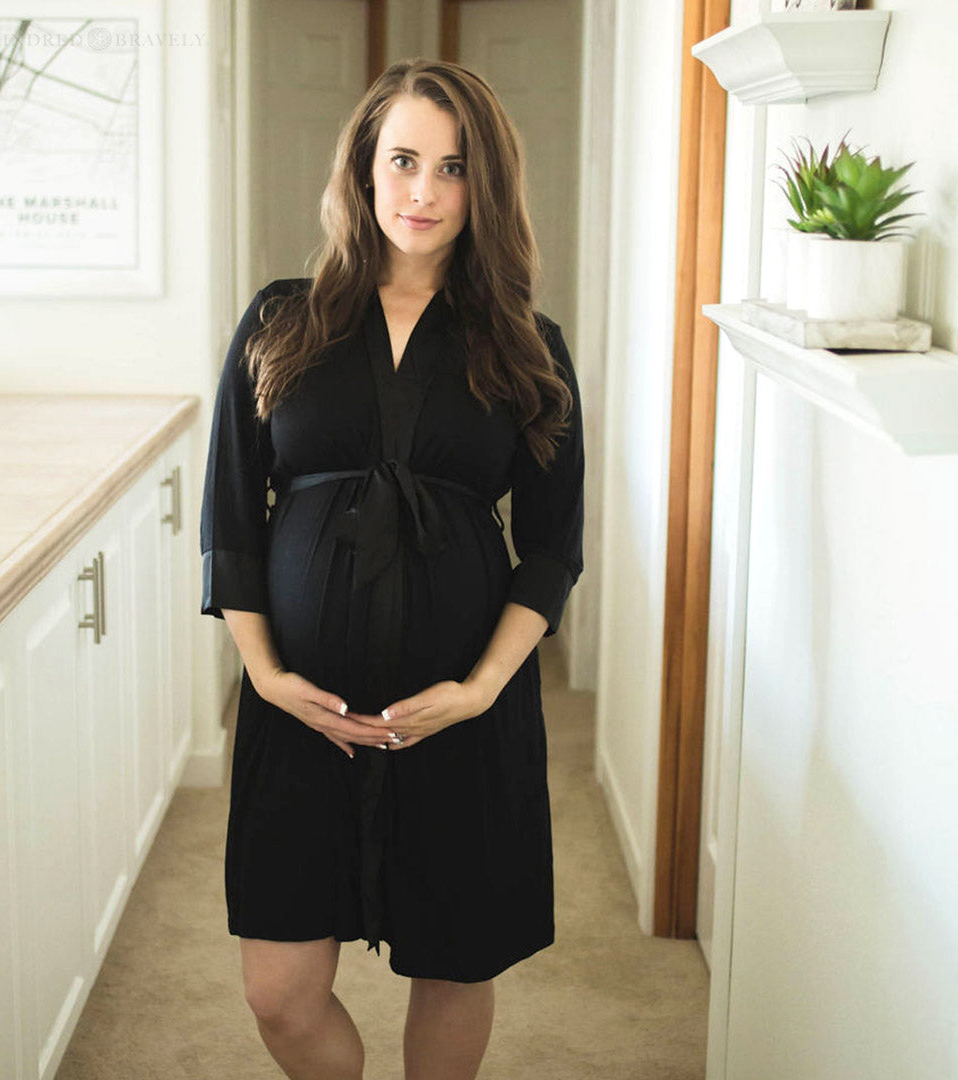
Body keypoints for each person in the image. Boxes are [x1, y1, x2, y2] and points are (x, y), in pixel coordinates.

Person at [199, 57, 585, 1080]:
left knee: (455, 966)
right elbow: (230, 517)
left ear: (485, 187)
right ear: (364, 167)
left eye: (454, 168)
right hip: (300, 709)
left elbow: (552, 546)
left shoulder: (527, 345)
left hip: (463, 712)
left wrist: (481, 689)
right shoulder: (281, 320)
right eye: (404, 160)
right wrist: (267, 677)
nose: (424, 191)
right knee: (279, 994)